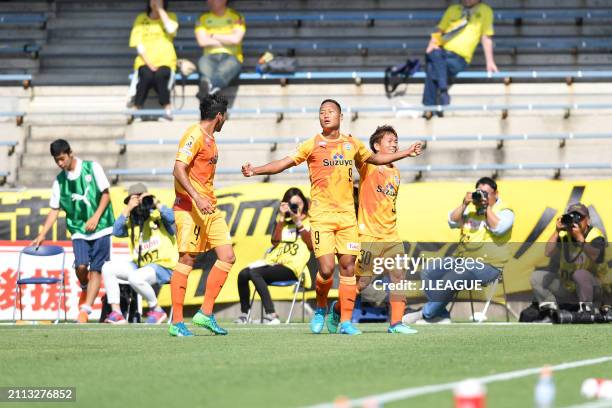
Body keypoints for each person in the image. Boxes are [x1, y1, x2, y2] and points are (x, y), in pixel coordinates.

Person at [242, 99, 423, 335]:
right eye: (321, 112)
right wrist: (256, 169)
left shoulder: (354, 146)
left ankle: (371, 323)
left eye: (330, 112)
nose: (325, 115)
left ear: (340, 116)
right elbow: (283, 163)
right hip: (327, 218)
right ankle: (323, 309)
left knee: (357, 268)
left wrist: (407, 151)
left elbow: (377, 159)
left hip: (350, 218)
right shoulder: (312, 145)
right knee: (329, 270)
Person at [327, 126, 418, 334]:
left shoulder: (395, 171)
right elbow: (355, 151)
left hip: (391, 235)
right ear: (376, 146)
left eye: (396, 140)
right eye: (389, 140)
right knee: (361, 282)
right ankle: (337, 309)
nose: (394, 143)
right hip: (368, 234)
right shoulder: (367, 164)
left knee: (399, 277)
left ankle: (396, 323)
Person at [168, 94, 236, 337]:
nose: (225, 120)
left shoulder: (211, 139)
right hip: (189, 206)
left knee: (227, 256)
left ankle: (205, 313)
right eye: (225, 116)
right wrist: (197, 197)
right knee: (187, 258)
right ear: (219, 116)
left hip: (209, 206)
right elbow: (178, 168)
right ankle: (176, 322)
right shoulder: (194, 135)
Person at [403, 177, 514, 324]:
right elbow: (452, 221)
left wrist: (486, 207)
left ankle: (426, 314)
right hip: (462, 260)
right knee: (428, 271)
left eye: (487, 193)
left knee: (455, 275)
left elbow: (499, 229)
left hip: (490, 266)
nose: (483, 197)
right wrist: (464, 204)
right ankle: (440, 314)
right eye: (480, 193)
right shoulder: (470, 209)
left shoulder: (505, 211)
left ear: (496, 194)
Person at [31, 139, 115, 323]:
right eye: (56, 161)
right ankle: (85, 288)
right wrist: (42, 234)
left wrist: (95, 217)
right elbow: (55, 209)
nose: (60, 163)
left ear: (71, 153)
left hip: (101, 227)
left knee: (97, 269)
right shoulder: (60, 181)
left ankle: (85, 310)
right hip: (78, 229)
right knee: (81, 266)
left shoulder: (92, 168)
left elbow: (106, 195)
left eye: (62, 159)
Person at [101, 183, 178, 324]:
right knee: (108, 268)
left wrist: (155, 202)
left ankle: (156, 309)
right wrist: (127, 209)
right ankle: (116, 312)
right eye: (134, 200)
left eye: (140, 199)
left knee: (135, 277)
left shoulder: (157, 217)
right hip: (142, 266)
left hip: (165, 266)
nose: (138, 205)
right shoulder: (131, 222)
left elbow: (172, 218)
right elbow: (116, 231)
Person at [234, 187, 313, 324]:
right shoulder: (283, 222)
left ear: (304, 204)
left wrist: (298, 222)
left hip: (293, 267)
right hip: (274, 263)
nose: (295, 208)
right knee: (243, 274)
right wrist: (282, 218)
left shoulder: (310, 221)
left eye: (298, 204)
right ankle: (245, 314)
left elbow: (311, 245)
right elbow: (275, 242)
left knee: (255, 273)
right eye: (291, 205)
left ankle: (272, 314)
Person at [530, 203, 607, 322]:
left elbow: (597, 257)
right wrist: (557, 231)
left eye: (579, 218)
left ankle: (586, 310)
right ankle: (552, 312)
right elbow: (548, 252)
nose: (575, 221)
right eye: (571, 218)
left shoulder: (595, 235)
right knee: (537, 277)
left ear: (588, 220)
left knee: (580, 274)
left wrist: (580, 239)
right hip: (568, 288)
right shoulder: (565, 235)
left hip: (594, 289)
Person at [422, 0, 499, 117]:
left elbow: (486, 37)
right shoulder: (453, 9)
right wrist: (431, 46)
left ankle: (429, 107)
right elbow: (439, 31)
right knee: (434, 54)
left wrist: (490, 61)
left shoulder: (485, 10)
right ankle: (442, 92)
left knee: (432, 66)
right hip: (442, 52)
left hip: (459, 58)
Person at [129, 0, 179, 119]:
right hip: (145, 60)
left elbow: (171, 30)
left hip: (166, 61)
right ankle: (136, 107)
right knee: (146, 75)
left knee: (159, 76)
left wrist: (161, 10)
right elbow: (138, 44)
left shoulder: (171, 17)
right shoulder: (141, 18)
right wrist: (149, 63)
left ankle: (167, 107)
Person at [194, 0, 245, 100]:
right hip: (209, 57)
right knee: (203, 62)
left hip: (232, 57)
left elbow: (236, 39)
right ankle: (212, 87)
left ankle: (208, 86)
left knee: (227, 67)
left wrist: (213, 35)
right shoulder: (202, 18)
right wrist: (227, 40)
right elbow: (202, 42)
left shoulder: (237, 16)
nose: (209, 1)